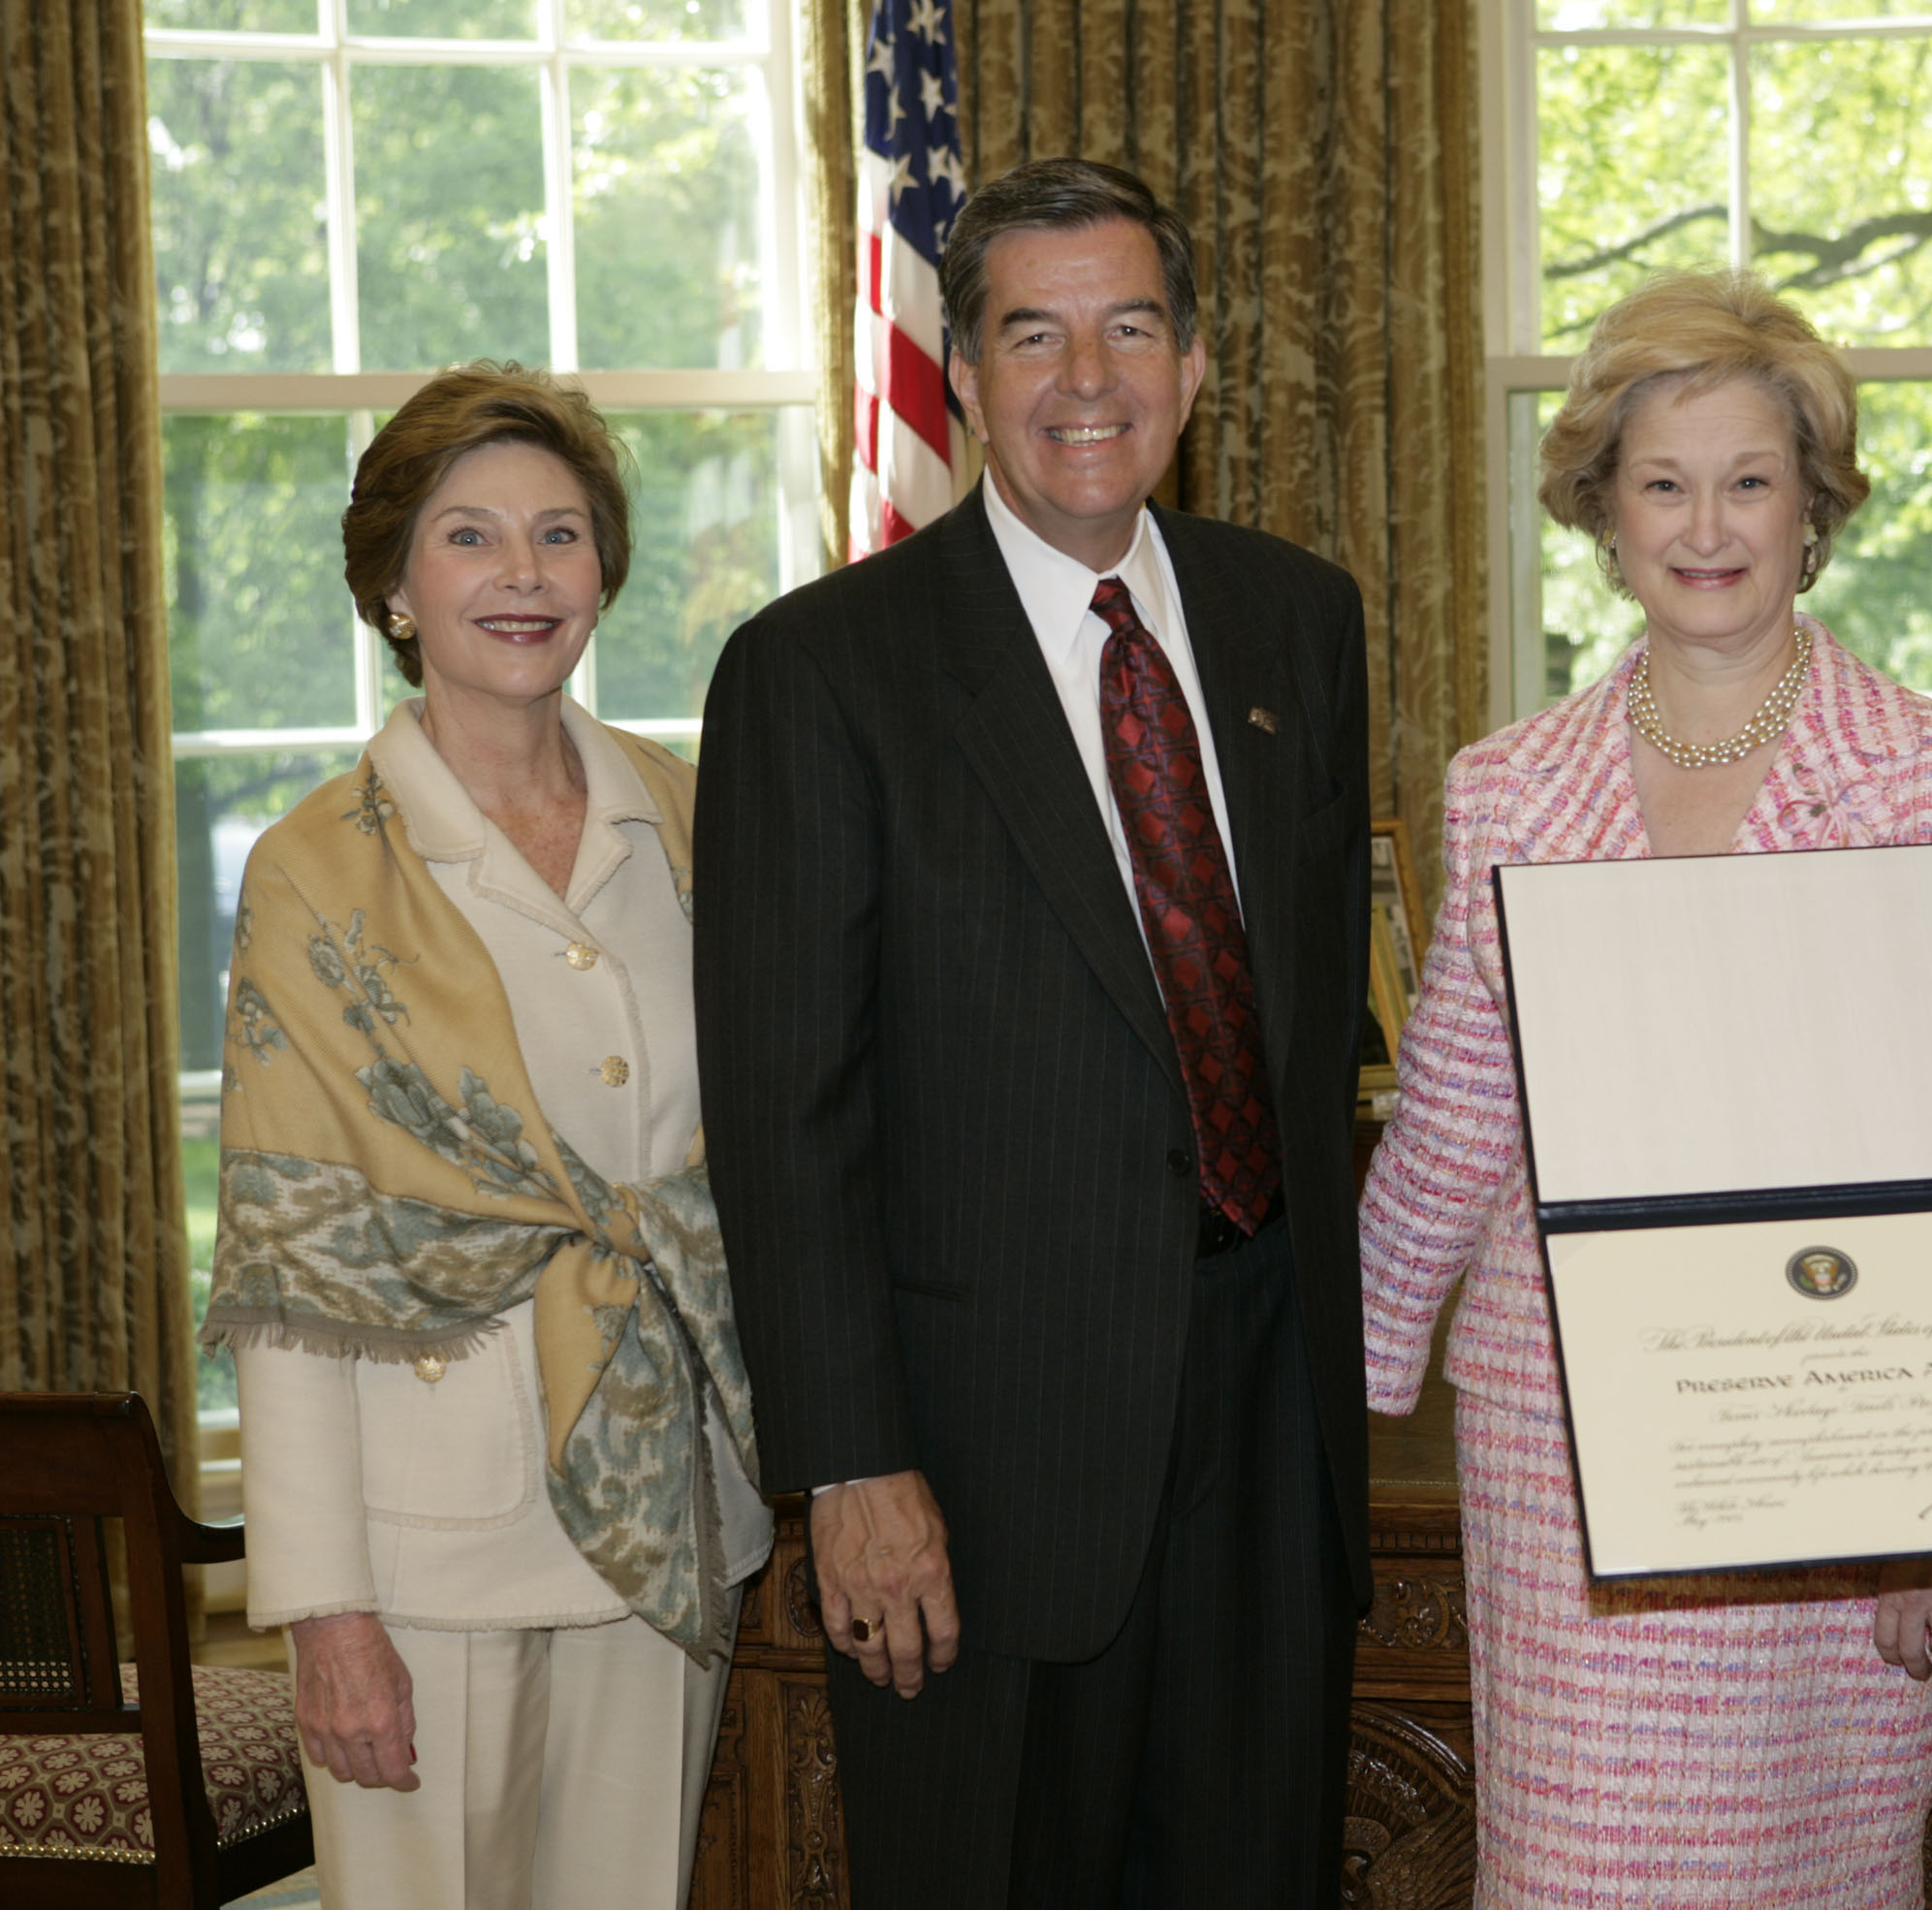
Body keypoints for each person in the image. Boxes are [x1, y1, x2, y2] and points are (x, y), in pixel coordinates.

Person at [693, 158, 1372, 1908]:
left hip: (1266, 1440)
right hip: (978, 1476)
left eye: (1131, 327)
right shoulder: (818, 671)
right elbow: (788, 1111)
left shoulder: (1299, 616)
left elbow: (1307, 1044)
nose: (1090, 380)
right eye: (1036, 334)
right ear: (967, 375)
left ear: (1197, 362)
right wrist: (849, 1463)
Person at [1357, 268, 1932, 1907]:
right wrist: (1320, 1412)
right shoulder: (1507, 784)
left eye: (1749, 480)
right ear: (1604, 507)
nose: (1708, 523)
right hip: (1567, 1475)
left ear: (1814, 508)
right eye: (1664, 481)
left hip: (1833, 1480)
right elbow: (1451, 1127)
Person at [204, 363, 771, 1909]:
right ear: (394, 581)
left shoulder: (700, 813)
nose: (522, 573)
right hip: (424, 1545)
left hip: (670, 1503)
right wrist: (323, 1608)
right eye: (469, 537)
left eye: (560, 534)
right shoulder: (318, 870)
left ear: (603, 572)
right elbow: (289, 1261)